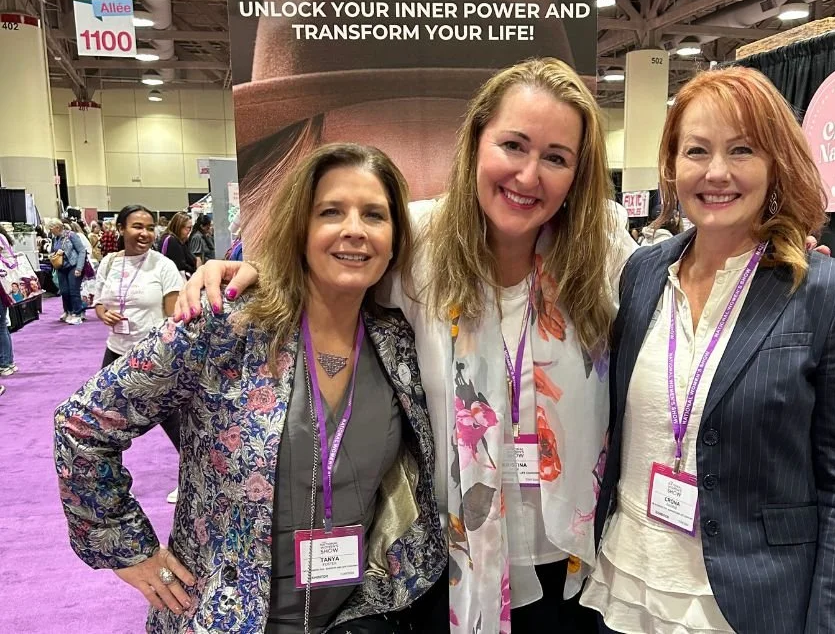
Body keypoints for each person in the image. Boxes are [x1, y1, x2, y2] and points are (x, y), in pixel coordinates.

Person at [174, 58, 637, 633]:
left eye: (556, 157)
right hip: (453, 556)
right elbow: (339, 264)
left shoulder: (604, 249)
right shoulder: (423, 240)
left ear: (578, 172)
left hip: (572, 560)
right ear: (475, 142)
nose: (528, 175)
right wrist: (258, 270)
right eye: (513, 145)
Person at [55, 143, 446, 633]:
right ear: (299, 228)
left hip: (357, 614)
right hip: (227, 617)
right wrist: (124, 547)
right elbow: (82, 424)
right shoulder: (224, 327)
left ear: (394, 239)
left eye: (374, 215)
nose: (354, 229)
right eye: (330, 211)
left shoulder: (398, 343)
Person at [583, 67, 835, 633]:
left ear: (776, 164)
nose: (716, 172)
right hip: (626, 581)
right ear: (671, 166)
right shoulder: (644, 273)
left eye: (742, 149)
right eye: (696, 150)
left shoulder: (832, 295)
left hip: (748, 603)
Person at [93, 204, 184, 499]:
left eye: (149, 227)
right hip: (115, 352)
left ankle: (193, 480)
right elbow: (98, 301)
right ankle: (109, 483)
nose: (145, 233)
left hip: (152, 356)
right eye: (137, 226)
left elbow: (175, 317)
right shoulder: (109, 262)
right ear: (121, 229)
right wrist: (102, 313)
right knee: (104, 420)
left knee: (172, 421)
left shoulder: (163, 266)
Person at [49, 218, 87, 324]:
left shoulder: (71, 235)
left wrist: (79, 268)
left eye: (51, 228)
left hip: (73, 266)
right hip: (61, 268)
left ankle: (78, 313)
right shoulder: (55, 238)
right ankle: (68, 311)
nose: (50, 231)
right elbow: (53, 251)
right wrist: (54, 254)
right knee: (64, 291)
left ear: (57, 227)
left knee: (73, 291)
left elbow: (82, 251)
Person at [0, 225, 18, 383]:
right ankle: (8, 362)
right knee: (2, 326)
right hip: (4, 287)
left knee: (1, 327)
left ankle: (5, 363)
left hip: (1, 288)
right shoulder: (3, 237)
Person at [158, 212, 197, 278]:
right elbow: (180, 265)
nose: (189, 231)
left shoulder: (179, 240)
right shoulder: (172, 240)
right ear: (179, 227)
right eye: (188, 228)